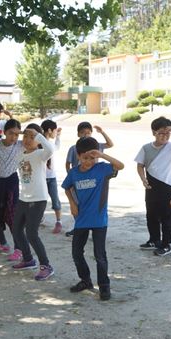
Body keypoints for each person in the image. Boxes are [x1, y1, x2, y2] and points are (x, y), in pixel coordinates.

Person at [61, 137, 124, 301]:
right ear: (78, 156)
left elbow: (121, 166)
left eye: (92, 157)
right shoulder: (74, 172)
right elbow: (66, 187)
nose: (89, 161)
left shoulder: (102, 169)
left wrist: (102, 156)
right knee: (76, 253)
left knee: (99, 255)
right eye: (85, 158)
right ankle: (85, 280)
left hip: (99, 220)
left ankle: (104, 286)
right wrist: (72, 203)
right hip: (81, 219)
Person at [135, 117, 171, 257]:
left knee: (168, 217)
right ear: (154, 132)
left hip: (169, 187)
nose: (164, 136)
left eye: (167, 133)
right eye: (161, 133)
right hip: (151, 186)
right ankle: (154, 240)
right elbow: (140, 165)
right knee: (151, 215)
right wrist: (143, 179)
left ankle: (166, 244)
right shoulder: (146, 148)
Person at [10, 124, 56, 280]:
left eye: (32, 137)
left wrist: (38, 134)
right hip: (24, 198)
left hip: (38, 198)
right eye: (26, 136)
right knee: (16, 230)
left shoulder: (41, 154)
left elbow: (50, 149)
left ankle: (46, 266)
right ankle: (28, 259)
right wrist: (20, 133)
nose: (28, 140)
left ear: (38, 140)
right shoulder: (20, 155)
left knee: (31, 233)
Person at [0, 119, 25, 260]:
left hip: (12, 183)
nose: (13, 137)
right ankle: (3, 243)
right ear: (4, 132)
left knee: (12, 217)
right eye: (10, 133)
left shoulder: (21, 145)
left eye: (16, 134)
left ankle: (19, 249)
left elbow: (40, 142)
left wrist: (24, 133)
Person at [64, 122, 114, 237]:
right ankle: (79, 225)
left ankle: (92, 227)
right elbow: (68, 163)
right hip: (78, 181)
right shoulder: (74, 148)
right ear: (78, 134)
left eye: (88, 132)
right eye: (82, 133)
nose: (85, 135)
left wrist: (102, 132)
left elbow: (110, 144)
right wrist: (70, 176)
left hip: (94, 180)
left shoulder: (96, 146)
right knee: (78, 204)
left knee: (93, 204)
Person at [41, 119, 63, 234]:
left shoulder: (48, 143)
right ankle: (43, 219)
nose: (55, 132)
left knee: (54, 200)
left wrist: (58, 136)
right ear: (49, 130)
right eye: (55, 130)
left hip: (50, 177)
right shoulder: (40, 143)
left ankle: (58, 222)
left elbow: (56, 147)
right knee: (43, 199)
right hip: (42, 177)